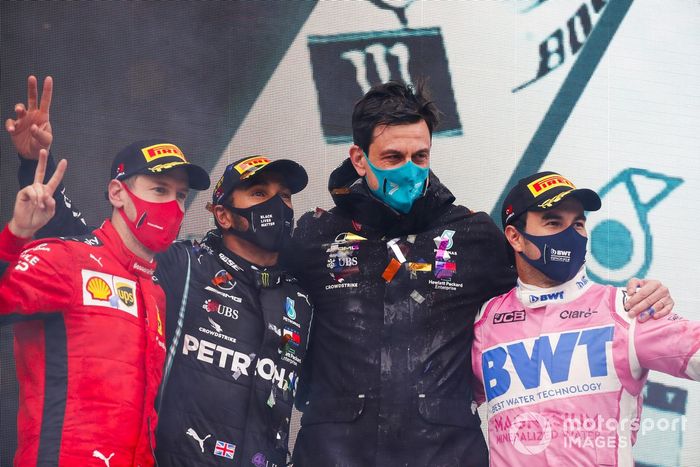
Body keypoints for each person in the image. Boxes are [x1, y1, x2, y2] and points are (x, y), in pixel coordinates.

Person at [286, 81, 674, 466]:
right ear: (358, 158)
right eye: (392, 157)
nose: (408, 170)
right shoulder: (315, 235)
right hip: (333, 454)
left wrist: (637, 300)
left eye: (420, 157)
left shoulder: (473, 234)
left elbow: (549, 295)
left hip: (445, 454)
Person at [10, 76, 313, 466]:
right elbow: (93, 253)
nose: (277, 206)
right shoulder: (184, 263)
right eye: (259, 194)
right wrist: (33, 170)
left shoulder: (301, 298)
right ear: (222, 214)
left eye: (284, 196)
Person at [0, 134, 210, 466]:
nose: (173, 205)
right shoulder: (66, 258)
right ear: (117, 193)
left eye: (181, 195)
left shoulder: (155, 292)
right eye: (160, 189)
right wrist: (16, 234)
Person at [471, 171, 699, 466]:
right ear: (515, 237)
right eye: (553, 222)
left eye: (578, 223)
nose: (571, 234)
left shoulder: (627, 309)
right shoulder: (486, 320)